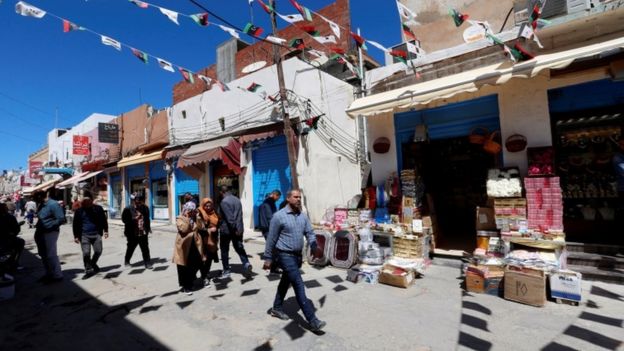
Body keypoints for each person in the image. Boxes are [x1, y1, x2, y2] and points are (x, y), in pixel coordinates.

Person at [263, 189, 326, 332]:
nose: (298, 199)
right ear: (288, 198)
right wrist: (268, 258)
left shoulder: (303, 216)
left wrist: (314, 245)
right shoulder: (278, 217)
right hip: (284, 255)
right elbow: (271, 239)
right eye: (295, 197)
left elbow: (309, 233)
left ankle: (277, 308)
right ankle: (313, 320)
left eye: (300, 197)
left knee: (285, 281)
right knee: (298, 285)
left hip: (298, 256)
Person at [217, 185, 252, 279]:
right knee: (239, 248)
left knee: (224, 250)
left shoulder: (224, 201)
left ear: (221, 192)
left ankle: (226, 270)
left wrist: (235, 229)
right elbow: (239, 215)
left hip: (228, 230)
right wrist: (239, 229)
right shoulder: (237, 199)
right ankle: (246, 263)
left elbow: (230, 219)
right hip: (238, 229)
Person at [72, 192, 109, 277]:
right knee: (86, 253)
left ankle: (92, 263)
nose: (86, 202)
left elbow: (103, 220)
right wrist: (76, 236)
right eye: (84, 201)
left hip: (96, 234)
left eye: (88, 200)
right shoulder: (79, 211)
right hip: (84, 235)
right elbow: (75, 224)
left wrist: (106, 231)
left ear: (91, 201)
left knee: (98, 251)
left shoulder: (98, 209)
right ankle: (88, 268)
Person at [33, 189, 65, 283]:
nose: (36, 201)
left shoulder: (53, 204)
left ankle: (57, 275)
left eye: (36, 199)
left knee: (51, 254)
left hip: (50, 232)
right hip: (40, 232)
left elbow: (61, 219)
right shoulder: (41, 205)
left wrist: (48, 225)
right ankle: (49, 273)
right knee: (43, 254)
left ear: (40, 196)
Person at [122, 193, 152, 269]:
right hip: (132, 232)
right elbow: (124, 220)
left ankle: (147, 263)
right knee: (131, 248)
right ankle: (127, 261)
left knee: (145, 248)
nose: (139, 203)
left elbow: (147, 219)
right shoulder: (128, 209)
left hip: (142, 231)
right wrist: (134, 219)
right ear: (133, 201)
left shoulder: (145, 208)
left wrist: (148, 228)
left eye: (140, 201)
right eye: (137, 201)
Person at [196, 198, 220, 286]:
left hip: (212, 240)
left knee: (210, 258)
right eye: (206, 205)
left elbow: (218, 223)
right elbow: (198, 228)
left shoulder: (214, 213)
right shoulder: (200, 214)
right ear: (203, 205)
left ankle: (206, 273)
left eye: (210, 205)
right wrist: (209, 229)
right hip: (203, 240)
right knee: (204, 259)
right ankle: (204, 276)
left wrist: (216, 228)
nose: (208, 207)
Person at [258, 190, 282, 274]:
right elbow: (270, 217)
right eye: (278, 197)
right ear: (275, 195)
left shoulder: (264, 203)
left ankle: (271, 266)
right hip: (269, 229)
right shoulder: (269, 203)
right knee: (272, 248)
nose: (277, 200)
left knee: (272, 247)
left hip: (265, 228)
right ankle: (270, 266)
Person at [0, 203, 24, 274]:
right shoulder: (10, 217)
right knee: (20, 243)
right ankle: (14, 262)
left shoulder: (9, 217)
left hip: (6, 240)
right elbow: (16, 229)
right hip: (8, 240)